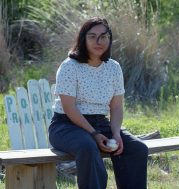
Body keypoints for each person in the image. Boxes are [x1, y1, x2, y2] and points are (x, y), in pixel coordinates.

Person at [48, 17, 148, 189]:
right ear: (83, 39)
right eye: (92, 36)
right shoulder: (69, 67)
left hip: (102, 124)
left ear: (109, 39)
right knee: (88, 147)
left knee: (137, 149)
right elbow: (69, 108)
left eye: (103, 36)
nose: (98, 41)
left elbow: (116, 107)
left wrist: (116, 133)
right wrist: (94, 134)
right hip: (66, 126)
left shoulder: (114, 67)